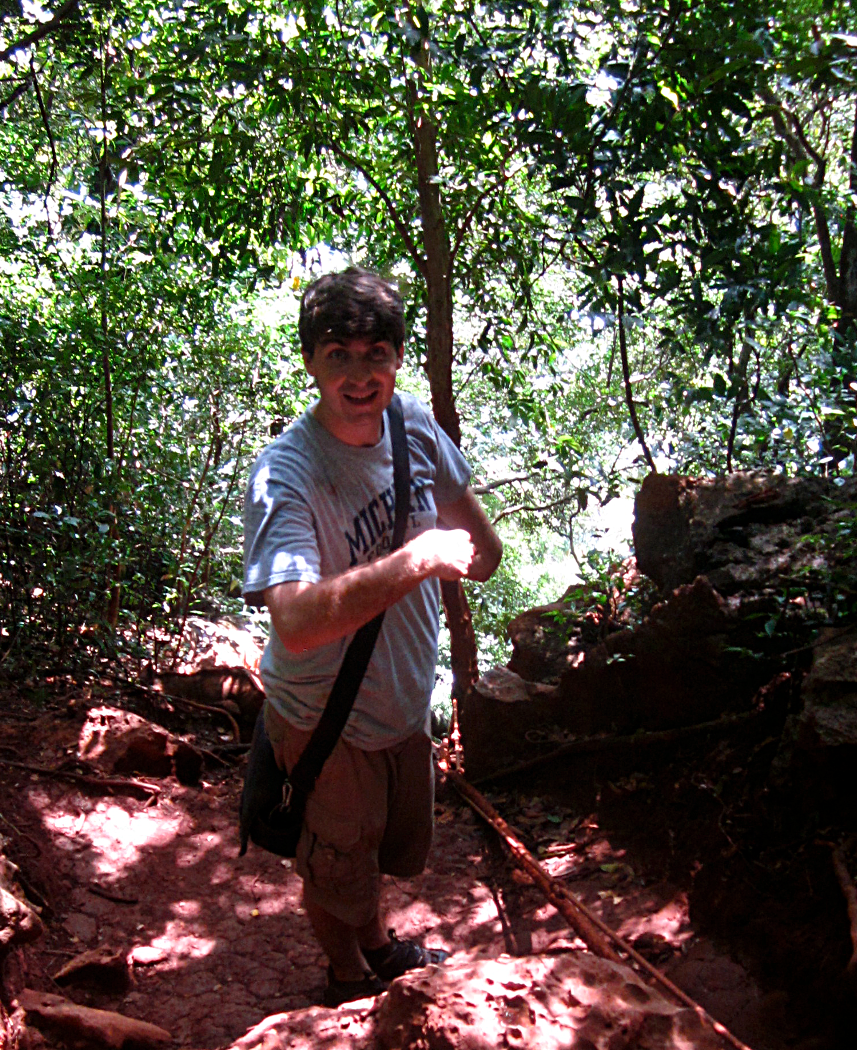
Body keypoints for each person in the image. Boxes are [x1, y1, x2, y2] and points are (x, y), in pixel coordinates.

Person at [241, 267, 502, 1005]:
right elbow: (291, 621)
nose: (359, 374)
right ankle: (347, 978)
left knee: (371, 854)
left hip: (403, 702)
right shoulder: (285, 475)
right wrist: (417, 558)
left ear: (396, 357)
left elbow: (478, 544)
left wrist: (471, 549)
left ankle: (380, 946)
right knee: (334, 863)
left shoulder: (412, 424)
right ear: (310, 362)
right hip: (329, 715)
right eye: (338, 355)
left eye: (375, 353)